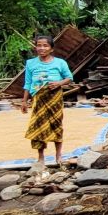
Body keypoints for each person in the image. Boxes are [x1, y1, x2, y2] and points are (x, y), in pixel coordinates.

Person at [21, 35, 73, 170]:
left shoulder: (60, 63)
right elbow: (27, 83)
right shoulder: (31, 63)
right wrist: (24, 101)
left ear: (51, 49)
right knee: (39, 128)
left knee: (56, 124)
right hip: (38, 98)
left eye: (45, 46)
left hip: (54, 98)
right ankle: (41, 157)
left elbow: (69, 78)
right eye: (39, 45)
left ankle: (58, 156)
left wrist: (58, 83)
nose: (41, 48)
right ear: (35, 47)